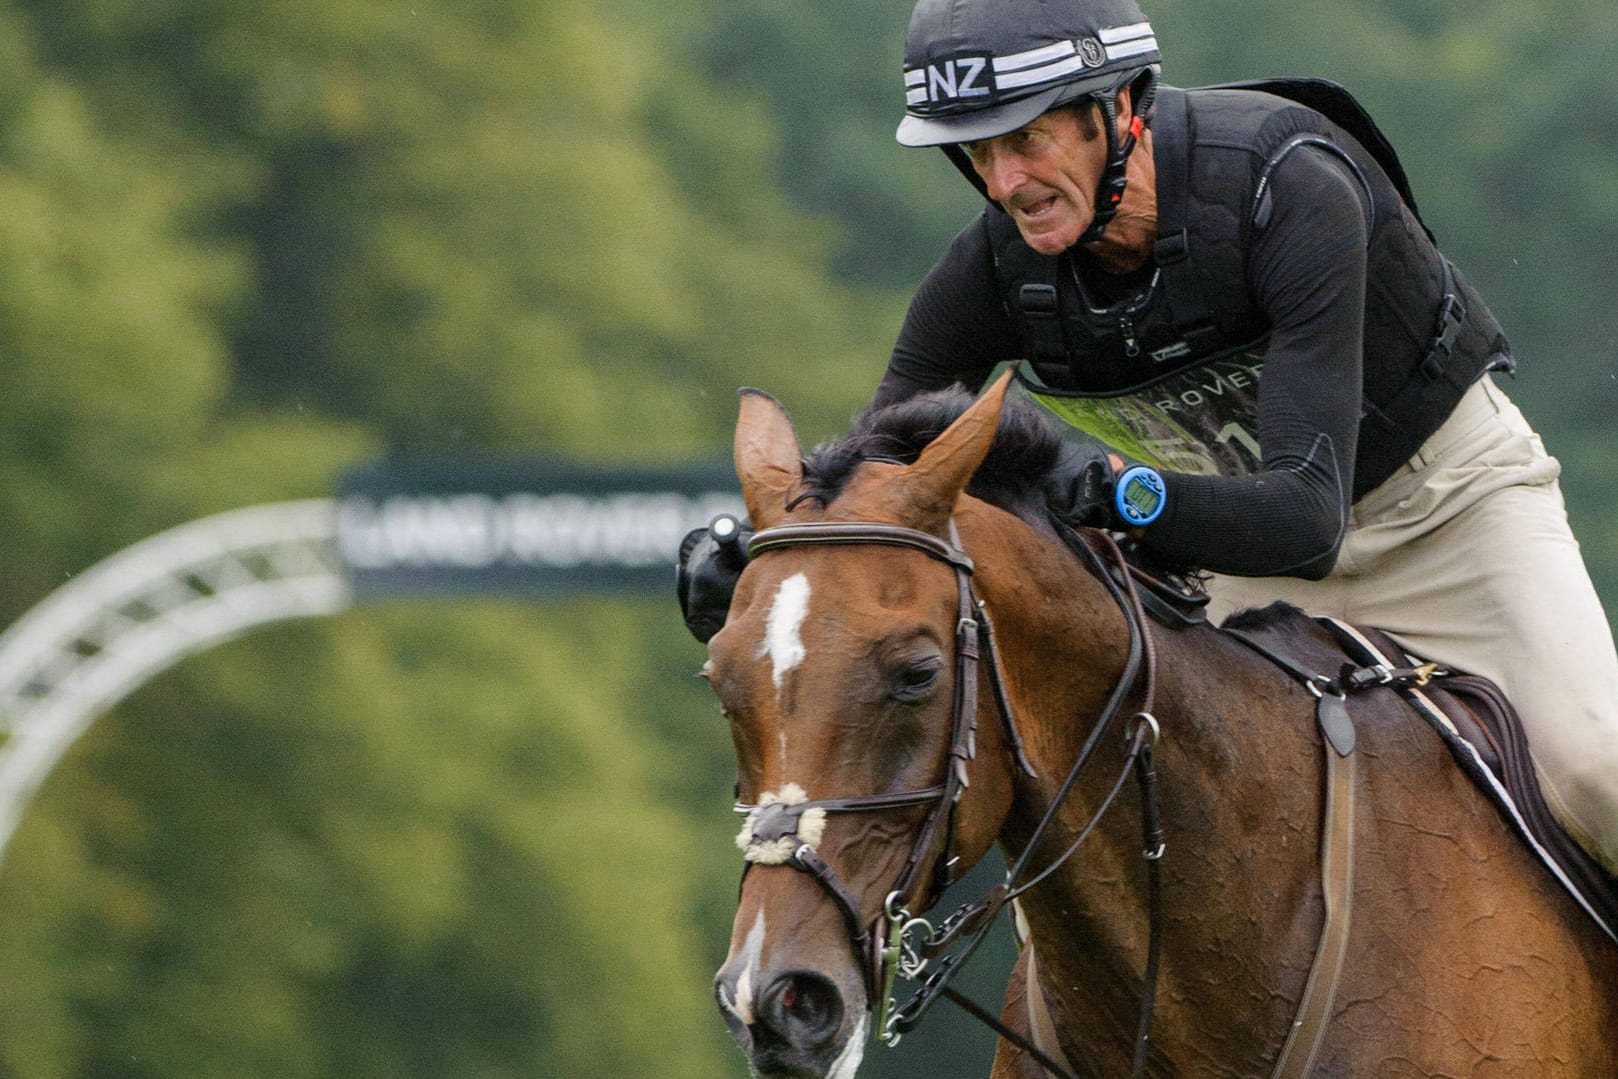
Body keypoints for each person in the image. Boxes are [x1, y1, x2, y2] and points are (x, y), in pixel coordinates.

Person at [860, 0, 1618, 875]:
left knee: (1598, 770)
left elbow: (1305, 517)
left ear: (1120, 107)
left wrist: (1121, 492)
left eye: (1025, 140)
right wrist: (762, 547)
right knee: (1119, 847)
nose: (1003, 183)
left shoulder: (1285, 185)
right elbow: (885, 456)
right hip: (1231, 554)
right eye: (978, 152)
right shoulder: (990, 269)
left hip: (1447, 512)